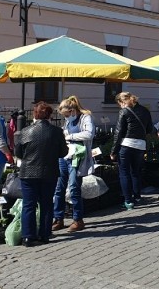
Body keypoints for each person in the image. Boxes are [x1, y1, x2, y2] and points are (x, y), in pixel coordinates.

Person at [15, 101, 67, 247]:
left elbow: (18, 153)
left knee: (29, 205)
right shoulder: (56, 132)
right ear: (50, 115)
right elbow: (63, 152)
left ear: (35, 114)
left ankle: (28, 237)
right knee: (46, 204)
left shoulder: (25, 131)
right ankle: (44, 234)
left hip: (28, 172)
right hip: (49, 172)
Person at [52, 96, 95, 233]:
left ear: (72, 110)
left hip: (78, 157)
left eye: (66, 114)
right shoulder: (67, 121)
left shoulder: (85, 117)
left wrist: (70, 137)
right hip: (64, 156)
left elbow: (89, 134)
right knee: (59, 187)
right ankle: (58, 218)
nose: (66, 117)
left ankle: (78, 219)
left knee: (74, 187)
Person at [111, 92, 154, 210]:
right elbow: (150, 128)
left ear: (122, 101)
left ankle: (128, 201)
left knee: (124, 173)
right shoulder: (145, 110)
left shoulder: (124, 111)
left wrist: (113, 151)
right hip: (140, 145)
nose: (119, 106)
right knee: (136, 172)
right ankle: (137, 197)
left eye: (119, 103)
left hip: (126, 144)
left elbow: (118, 132)